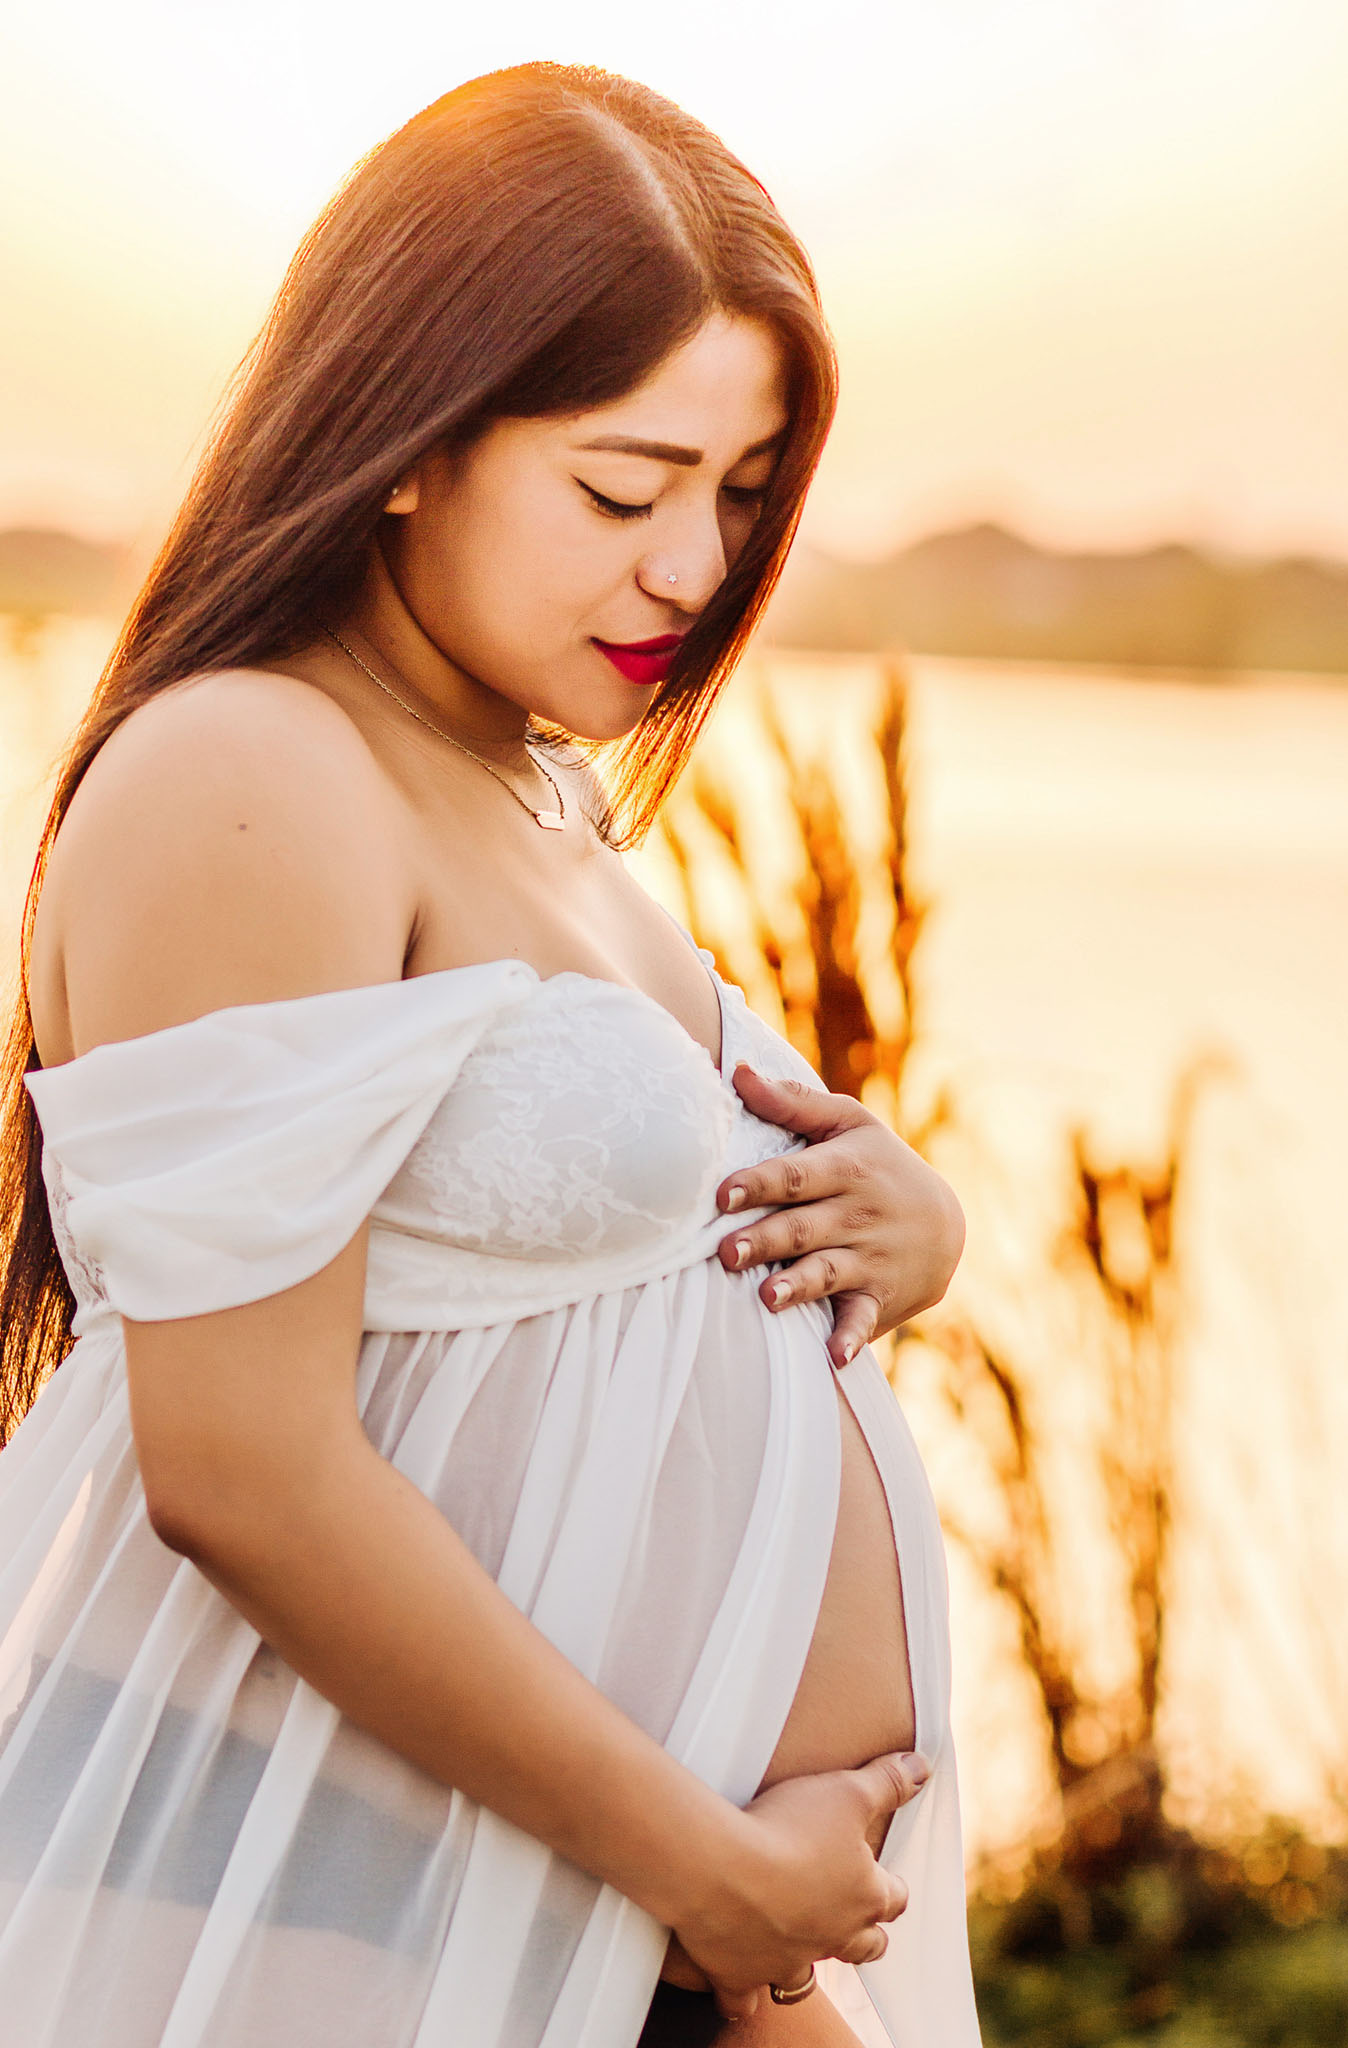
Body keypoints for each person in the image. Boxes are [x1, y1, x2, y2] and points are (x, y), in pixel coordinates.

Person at [0, 61, 982, 2048]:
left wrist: (906, 1222)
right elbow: (241, 1464)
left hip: (592, 1907)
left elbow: (566, 1291)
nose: (694, 571)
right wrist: (697, 1872)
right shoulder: (251, 769)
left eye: (737, 491)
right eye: (622, 489)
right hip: (344, 1888)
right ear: (403, 439)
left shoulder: (525, 789)